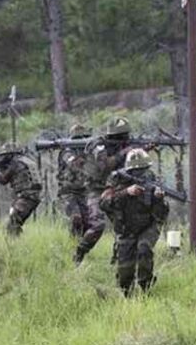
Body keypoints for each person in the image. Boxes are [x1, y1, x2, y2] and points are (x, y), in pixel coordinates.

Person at [100, 149, 169, 296]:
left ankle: (146, 289)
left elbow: (162, 214)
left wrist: (159, 199)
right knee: (125, 275)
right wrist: (126, 192)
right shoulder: (117, 180)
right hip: (125, 229)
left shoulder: (153, 180)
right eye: (137, 170)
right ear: (129, 170)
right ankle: (128, 296)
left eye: (143, 169)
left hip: (147, 226)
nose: (141, 173)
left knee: (144, 249)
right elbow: (103, 203)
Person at [84, 117, 133, 264]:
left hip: (114, 190)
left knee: (124, 227)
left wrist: (139, 153)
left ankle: (117, 260)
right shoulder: (98, 145)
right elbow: (105, 166)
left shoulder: (123, 145)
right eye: (122, 136)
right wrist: (125, 152)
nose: (126, 138)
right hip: (96, 190)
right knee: (98, 226)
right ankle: (79, 254)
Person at [57, 124, 105, 264]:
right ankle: (72, 247)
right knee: (76, 218)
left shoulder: (90, 151)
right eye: (78, 139)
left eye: (83, 138)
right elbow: (75, 163)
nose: (81, 141)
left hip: (84, 192)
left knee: (87, 224)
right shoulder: (66, 151)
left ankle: (77, 252)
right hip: (68, 192)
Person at [0, 142, 42, 236]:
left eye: (5, 156)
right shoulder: (25, 160)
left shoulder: (15, 164)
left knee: (13, 223)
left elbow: (3, 180)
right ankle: (15, 243)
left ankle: (14, 245)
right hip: (31, 196)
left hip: (26, 197)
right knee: (15, 222)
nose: (3, 158)